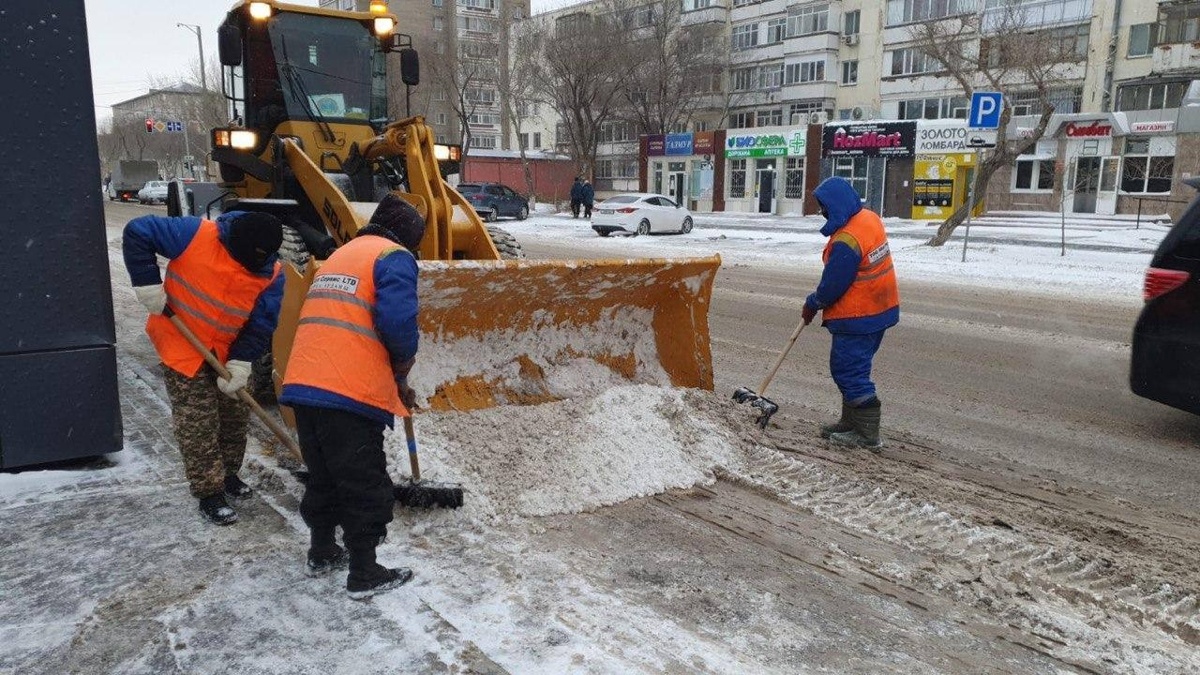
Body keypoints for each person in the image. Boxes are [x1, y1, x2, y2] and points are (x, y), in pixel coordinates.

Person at [280, 194, 424, 600]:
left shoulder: (341, 256)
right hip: (347, 389)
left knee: (324, 474)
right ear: (407, 237)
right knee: (363, 480)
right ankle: (364, 572)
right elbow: (398, 323)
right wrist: (402, 368)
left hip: (305, 383)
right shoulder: (393, 256)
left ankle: (323, 549)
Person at [123, 211, 284, 524]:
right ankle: (209, 492)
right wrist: (147, 283)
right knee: (198, 422)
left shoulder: (273, 273)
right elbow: (137, 230)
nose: (252, 268)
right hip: (182, 342)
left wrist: (241, 361)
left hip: (227, 350)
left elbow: (262, 323)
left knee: (235, 415)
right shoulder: (194, 233)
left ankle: (229, 474)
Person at [800, 177, 900, 451]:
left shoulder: (847, 240)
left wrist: (813, 302)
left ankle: (867, 434)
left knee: (848, 370)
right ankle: (851, 422)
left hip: (859, 315)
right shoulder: (868, 218)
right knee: (855, 367)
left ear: (835, 205)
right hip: (881, 308)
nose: (822, 212)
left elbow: (832, 286)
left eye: (824, 207)